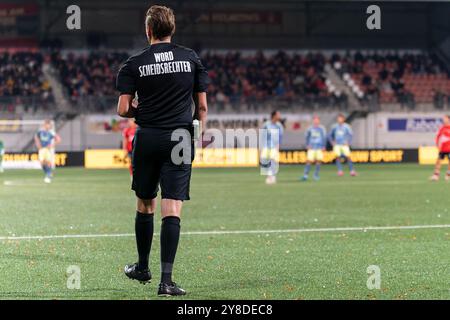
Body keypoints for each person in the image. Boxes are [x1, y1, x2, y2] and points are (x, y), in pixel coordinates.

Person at [116, 5, 208, 297]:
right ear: (172, 29)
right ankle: (166, 282)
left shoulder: (134, 63)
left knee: (145, 204)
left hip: (148, 138)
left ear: (148, 31)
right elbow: (202, 107)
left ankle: (142, 267)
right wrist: (198, 135)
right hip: (180, 138)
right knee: (173, 207)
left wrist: (137, 108)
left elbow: (122, 109)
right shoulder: (191, 58)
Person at [260, 110, 284, 185]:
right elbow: (262, 135)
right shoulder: (266, 125)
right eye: (278, 114)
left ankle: (272, 176)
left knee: (273, 161)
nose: (279, 116)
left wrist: (278, 145)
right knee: (265, 161)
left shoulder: (279, 125)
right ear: (274, 116)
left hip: (274, 146)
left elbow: (280, 136)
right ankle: (269, 176)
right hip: (266, 146)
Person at [301, 116, 326, 181]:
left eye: (317, 120)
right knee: (309, 161)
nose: (316, 121)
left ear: (319, 121)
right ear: (313, 121)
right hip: (311, 147)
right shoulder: (309, 129)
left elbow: (324, 138)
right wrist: (307, 145)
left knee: (318, 161)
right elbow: (306, 137)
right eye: (315, 120)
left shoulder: (322, 129)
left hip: (319, 147)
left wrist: (323, 146)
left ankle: (316, 175)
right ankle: (305, 175)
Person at [430, 115, 450, 182]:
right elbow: (438, 137)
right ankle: (436, 175)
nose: (444, 120)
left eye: (445, 118)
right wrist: (438, 145)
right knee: (438, 161)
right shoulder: (442, 128)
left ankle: (448, 175)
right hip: (443, 149)